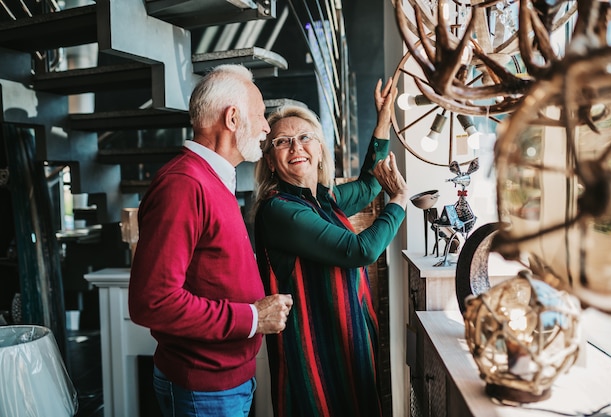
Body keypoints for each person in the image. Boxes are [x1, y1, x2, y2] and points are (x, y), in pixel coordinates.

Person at [128, 64, 293, 417]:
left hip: (226, 384)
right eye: (261, 114)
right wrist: (251, 318)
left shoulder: (211, 178)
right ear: (232, 118)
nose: (266, 127)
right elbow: (152, 302)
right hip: (202, 390)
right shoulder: (183, 184)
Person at [252, 78, 408, 417]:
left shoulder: (323, 200)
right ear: (271, 160)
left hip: (347, 344)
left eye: (305, 137)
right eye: (283, 141)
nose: (297, 148)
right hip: (315, 358)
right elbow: (359, 251)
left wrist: (383, 118)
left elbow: (368, 186)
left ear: (320, 148)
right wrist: (398, 201)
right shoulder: (281, 210)